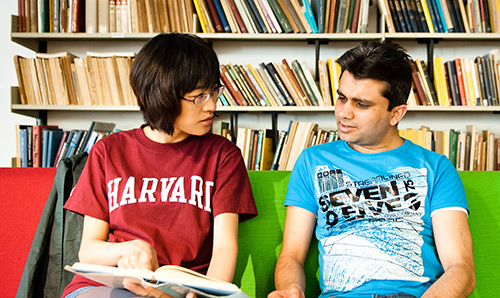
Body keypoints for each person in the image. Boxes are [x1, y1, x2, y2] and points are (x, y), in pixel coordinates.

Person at [268, 41, 475, 298]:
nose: (344, 112)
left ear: (396, 113)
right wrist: (291, 290)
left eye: (361, 104)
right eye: (341, 98)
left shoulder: (435, 168)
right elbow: (291, 255)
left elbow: (460, 268)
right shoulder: (312, 161)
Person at [61, 33, 258, 298]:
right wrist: (127, 250)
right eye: (199, 96)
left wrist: (206, 295)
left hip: (181, 290)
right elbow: (88, 250)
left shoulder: (223, 155)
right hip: (110, 288)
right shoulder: (108, 151)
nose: (212, 105)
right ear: (163, 95)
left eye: (214, 91)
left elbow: (224, 247)